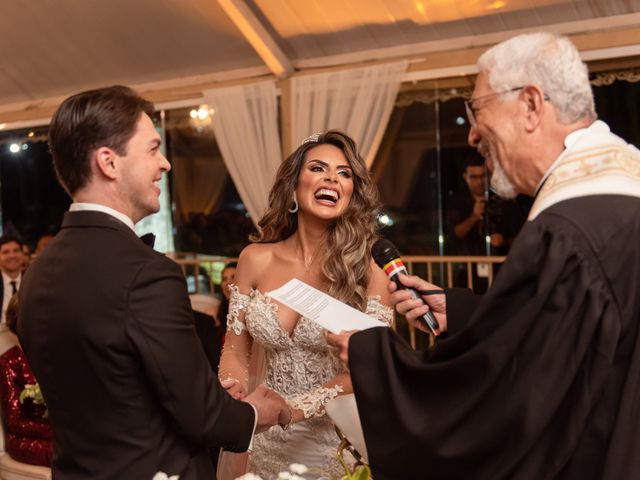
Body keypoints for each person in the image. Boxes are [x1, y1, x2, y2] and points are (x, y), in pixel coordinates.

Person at [328, 32, 640, 480]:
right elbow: (567, 339)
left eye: (477, 109)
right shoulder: (621, 195)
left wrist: (375, 357)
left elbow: (508, 401)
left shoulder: (569, 232)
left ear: (531, 105)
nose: (472, 132)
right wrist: (463, 312)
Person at [17, 85, 288, 480]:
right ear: (108, 162)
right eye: (152, 149)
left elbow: (113, 385)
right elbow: (202, 416)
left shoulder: (37, 271)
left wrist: (207, 396)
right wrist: (253, 414)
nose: (165, 163)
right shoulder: (147, 273)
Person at [218, 130, 393, 478]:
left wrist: (292, 409)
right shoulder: (255, 259)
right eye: (318, 168)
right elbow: (236, 350)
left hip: (338, 444)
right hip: (263, 438)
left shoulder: (370, 269)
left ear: (351, 192)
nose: (332, 178)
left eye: (344, 173)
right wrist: (236, 396)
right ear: (294, 185)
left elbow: (374, 364)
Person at [0, 295, 53, 467]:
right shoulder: (9, 362)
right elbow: (15, 423)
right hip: (24, 440)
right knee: (72, 452)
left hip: (59, 433)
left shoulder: (53, 355)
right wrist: (53, 431)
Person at [0, 235, 24, 324]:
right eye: (6, 252)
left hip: (30, 333)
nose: (12, 255)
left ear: (22, 254)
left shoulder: (34, 280)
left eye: (16, 250)